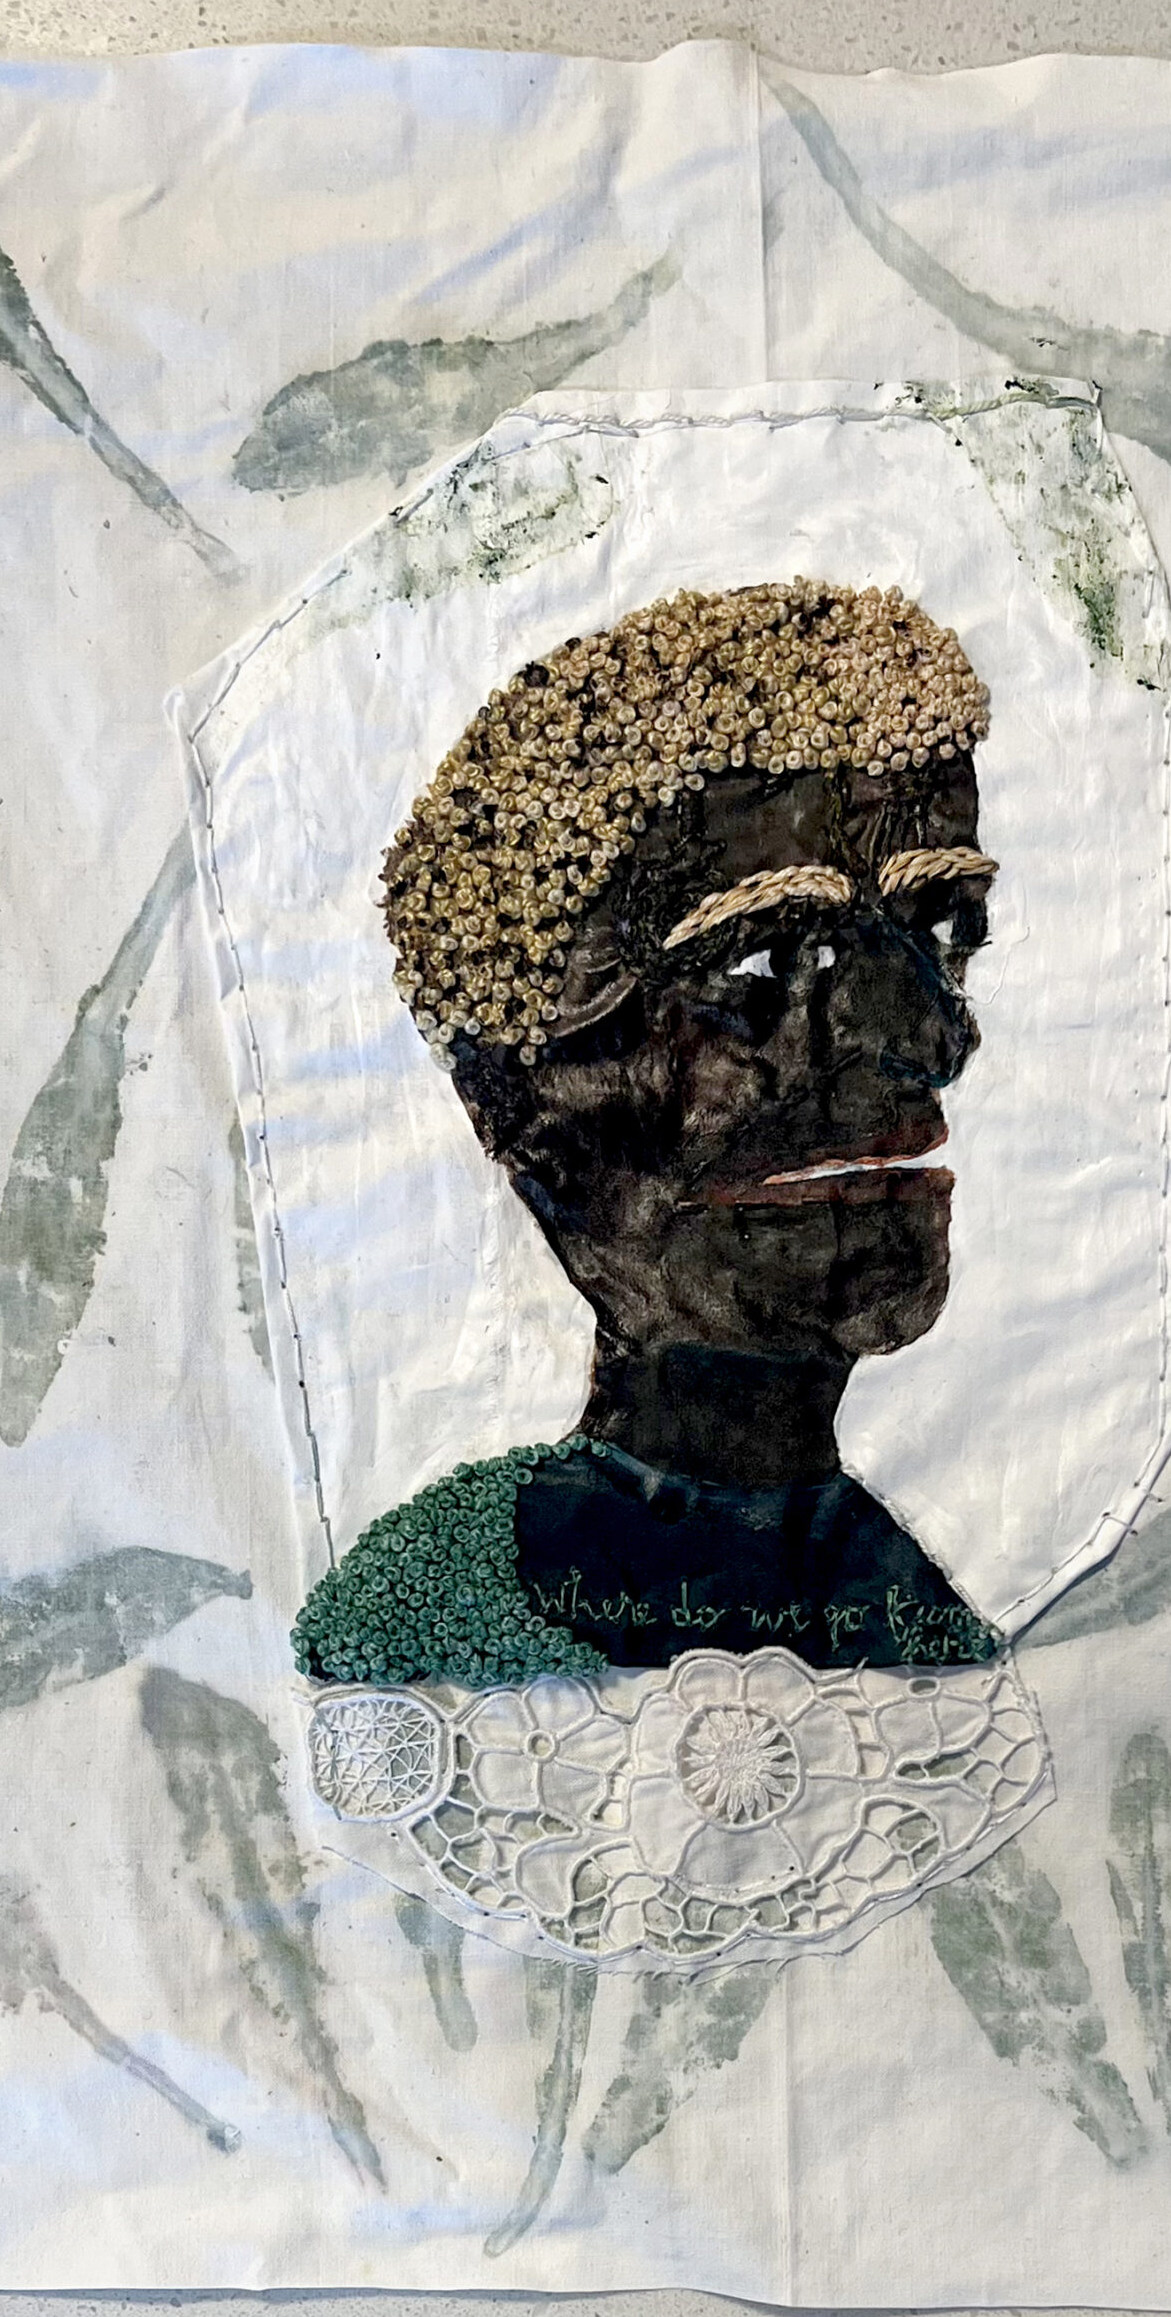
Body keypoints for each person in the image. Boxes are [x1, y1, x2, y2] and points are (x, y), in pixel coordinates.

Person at [291, 577, 1010, 1686]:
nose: (937, 1036)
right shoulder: (419, 1654)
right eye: (764, 960)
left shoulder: (915, 1622)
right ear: (517, 1107)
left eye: (947, 931)